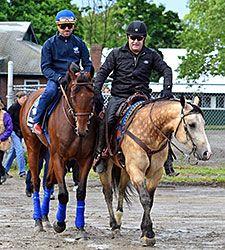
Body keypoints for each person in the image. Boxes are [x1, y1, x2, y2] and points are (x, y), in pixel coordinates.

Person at [94, 20, 175, 173]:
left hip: (143, 97)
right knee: (107, 120)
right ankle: (101, 154)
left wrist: (167, 90)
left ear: (144, 39)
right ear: (128, 37)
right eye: (133, 38)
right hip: (120, 96)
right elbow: (103, 72)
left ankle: (167, 158)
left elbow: (166, 70)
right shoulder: (116, 53)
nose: (136, 41)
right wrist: (97, 90)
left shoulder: (151, 55)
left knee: (162, 121)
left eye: (139, 38)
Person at [33, 9, 93, 135]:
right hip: (57, 78)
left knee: (94, 94)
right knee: (50, 92)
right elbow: (45, 67)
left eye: (69, 26)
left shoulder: (80, 43)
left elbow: (87, 64)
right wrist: (58, 78)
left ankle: (98, 120)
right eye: (63, 26)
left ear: (73, 26)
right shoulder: (49, 44)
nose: (66, 28)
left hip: (76, 78)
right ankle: (37, 121)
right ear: (57, 26)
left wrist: (85, 75)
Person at [4, 91, 27, 178]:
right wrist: (13, 132)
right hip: (13, 131)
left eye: (26, 98)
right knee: (20, 150)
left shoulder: (25, 107)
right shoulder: (13, 107)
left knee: (13, 153)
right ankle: (22, 171)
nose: (25, 100)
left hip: (20, 132)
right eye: (23, 98)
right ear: (18, 99)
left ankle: (4, 171)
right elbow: (9, 122)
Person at [0, 97, 13, 184]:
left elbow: (9, 128)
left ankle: (2, 174)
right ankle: (3, 172)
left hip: (2, 141)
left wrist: (2, 137)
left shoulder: (5, 115)